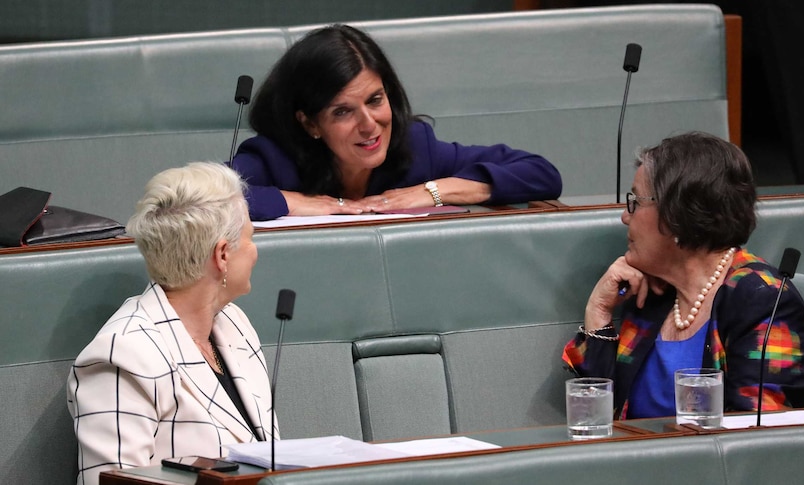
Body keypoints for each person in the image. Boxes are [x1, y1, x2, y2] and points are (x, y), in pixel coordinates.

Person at [561, 132, 804, 420]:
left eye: (636, 202)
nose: (625, 216)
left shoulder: (762, 299)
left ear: (677, 214)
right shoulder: (654, 294)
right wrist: (599, 313)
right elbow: (597, 417)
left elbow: (758, 435)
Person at [67, 162, 275, 484]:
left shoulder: (235, 324)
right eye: (250, 237)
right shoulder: (123, 355)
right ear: (222, 255)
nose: (255, 251)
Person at [231, 24, 563, 220]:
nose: (369, 124)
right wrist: (292, 201)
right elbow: (188, 204)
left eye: (375, 100)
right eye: (343, 112)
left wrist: (435, 190)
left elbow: (541, 175)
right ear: (310, 124)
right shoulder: (275, 160)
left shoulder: (416, 148)